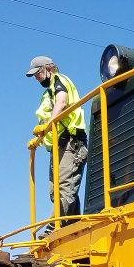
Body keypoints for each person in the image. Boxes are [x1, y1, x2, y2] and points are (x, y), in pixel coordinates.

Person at [27, 55, 88, 234]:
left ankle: (55, 228)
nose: (36, 78)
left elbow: (61, 101)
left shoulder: (59, 81)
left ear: (48, 68)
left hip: (71, 142)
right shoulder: (47, 93)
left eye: (37, 73)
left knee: (64, 187)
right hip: (58, 146)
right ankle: (76, 228)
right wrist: (39, 139)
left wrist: (47, 126)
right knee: (55, 191)